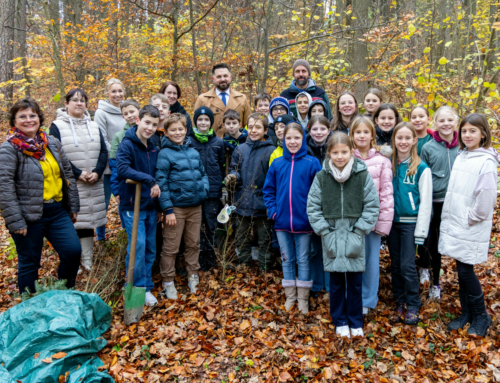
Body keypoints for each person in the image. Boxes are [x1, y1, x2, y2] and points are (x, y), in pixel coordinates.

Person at [0, 98, 81, 294]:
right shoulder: (9, 148)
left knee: (72, 251)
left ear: (39, 118)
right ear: (14, 121)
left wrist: (73, 207)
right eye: (23, 116)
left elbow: (67, 173)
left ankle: (63, 293)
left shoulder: (51, 142)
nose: (29, 120)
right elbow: (4, 187)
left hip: (57, 211)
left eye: (32, 115)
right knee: (30, 263)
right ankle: (29, 307)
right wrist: (16, 222)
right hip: (28, 217)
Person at [307, 132, 380, 338]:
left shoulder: (362, 175)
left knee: (355, 283)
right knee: (337, 283)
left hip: (354, 235)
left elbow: (372, 205)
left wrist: (359, 230)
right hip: (331, 236)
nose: (340, 156)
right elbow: (313, 207)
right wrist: (324, 231)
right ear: (329, 153)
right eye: (335, 152)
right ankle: (339, 321)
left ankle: (356, 321)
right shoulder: (321, 177)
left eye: (344, 152)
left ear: (351, 152)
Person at [439, 113, 498, 336]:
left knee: (465, 270)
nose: (467, 135)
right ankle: (467, 312)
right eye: (464, 131)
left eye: (473, 131)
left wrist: (469, 218)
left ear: (483, 134)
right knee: (461, 269)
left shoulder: (486, 161)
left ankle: (481, 316)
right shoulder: (463, 155)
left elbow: (485, 198)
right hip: (457, 222)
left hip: (469, 224)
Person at [263, 122, 321, 314]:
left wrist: (312, 215)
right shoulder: (277, 163)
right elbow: (268, 190)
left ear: (303, 139)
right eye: (289, 138)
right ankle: (290, 297)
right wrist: (273, 211)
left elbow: (318, 192)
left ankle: (303, 299)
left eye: (297, 138)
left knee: (303, 259)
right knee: (286, 258)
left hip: (304, 223)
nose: (293, 141)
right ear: (283, 139)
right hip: (281, 222)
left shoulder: (312, 163)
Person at [49, 89, 108, 271]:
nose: (79, 103)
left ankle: (88, 260)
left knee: (88, 221)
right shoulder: (56, 126)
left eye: (82, 100)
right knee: (72, 221)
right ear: (66, 104)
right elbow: (57, 154)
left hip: (93, 182)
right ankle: (73, 260)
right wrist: (77, 173)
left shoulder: (94, 126)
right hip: (71, 183)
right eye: (74, 100)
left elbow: (103, 151)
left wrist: (97, 172)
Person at [156, 113, 209, 299]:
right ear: (166, 132)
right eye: (173, 130)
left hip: (195, 207)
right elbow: (161, 183)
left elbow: (203, 174)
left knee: (193, 244)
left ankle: (192, 275)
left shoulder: (193, 151)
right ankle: (168, 281)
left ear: (186, 130)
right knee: (171, 246)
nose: (178, 132)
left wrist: (205, 189)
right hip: (176, 209)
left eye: (181, 129)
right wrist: (168, 209)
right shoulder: (164, 154)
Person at [116, 105, 161, 307]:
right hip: (132, 205)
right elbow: (123, 169)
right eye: (147, 122)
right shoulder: (127, 144)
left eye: (154, 124)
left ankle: (146, 286)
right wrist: (148, 180)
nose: (150, 127)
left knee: (150, 247)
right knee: (138, 245)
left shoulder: (153, 145)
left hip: (151, 205)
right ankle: (136, 286)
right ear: (138, 121)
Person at [388, 122, 432, 324]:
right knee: (395, 265)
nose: (403, 142)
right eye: (399, 138)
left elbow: (426, 202)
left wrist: (421, 231)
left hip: (410, 223)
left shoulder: (421, 168)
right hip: (392, 223)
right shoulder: (389, 164)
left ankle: (413, 303)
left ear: (415, 140)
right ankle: (399, 301)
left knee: (407, 265)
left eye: (408, 138)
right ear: (394, 140)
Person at [350, 116, 394, 315]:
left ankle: (367, 300)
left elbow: (386, 194)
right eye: (357, 132)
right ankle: (352, 296)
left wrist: (382, 224)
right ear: (352, 135)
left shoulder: (382, 161)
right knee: (351, 260)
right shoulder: (346, 157)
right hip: (349, 221)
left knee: (370, 262)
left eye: (365, 132)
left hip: (372, 221)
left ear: (372, 135)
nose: (361, 135)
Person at [418, 106, 459, 300]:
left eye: (449, 120)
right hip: (435, 203)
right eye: (441, 120)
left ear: (456, 122)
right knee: (432, 243)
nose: (446, 124)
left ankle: (463, 283)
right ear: (435, 123)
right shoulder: (428, 147)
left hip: (457, 204)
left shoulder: (463, 147)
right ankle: (434, 282)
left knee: (454, 242)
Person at [225, 113, 275, 273]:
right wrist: (233, 177)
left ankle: (264, 267)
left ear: (266, 130)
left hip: (263, 203)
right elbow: (235, 169)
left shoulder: (271, 150)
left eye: (258, 127)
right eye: (250, 127)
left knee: (264, 238)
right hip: (242, 201)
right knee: (241, 237)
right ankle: (244, 264)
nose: (253, 130)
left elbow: (273, 177)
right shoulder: (241, 149)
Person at [190, 107, 225, 271]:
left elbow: (221, 164)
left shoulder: (218, 142)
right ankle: (198, 256)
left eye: (206, 120)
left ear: (211, 122)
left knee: (211, 225)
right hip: (195, 191)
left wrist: (220, 186)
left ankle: (210, 255)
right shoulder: (189, 141)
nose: (203, 122)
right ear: (195, 121)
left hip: (213, 191)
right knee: (196, 226)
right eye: (200, 119)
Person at [94, 78, 127, 241]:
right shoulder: (101, 113)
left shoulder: (128, 110)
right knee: (104, 203)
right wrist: (117, 155)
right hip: (108, 165)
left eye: (120, 91)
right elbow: (102, 139)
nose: (117, 94)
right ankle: (100, 238)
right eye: (113, 91)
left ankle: (124, 234)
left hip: (126, 165)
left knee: (124, 200)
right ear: (108, 93)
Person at [306, 115, 333, 297]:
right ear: (309, 130)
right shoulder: (304, 149)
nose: (318, 133)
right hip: (312, 204)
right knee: (315, 248)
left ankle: (331, 286)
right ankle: (316, 285)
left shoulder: (335, 148)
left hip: (331, 205)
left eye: (322, 129)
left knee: (330, 247)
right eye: (315, 129)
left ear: (329, 130)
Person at [194, 63, 252, 137]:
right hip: (212, 145)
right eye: (219, 77)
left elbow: (249, 125)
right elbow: (195, 127)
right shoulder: (202, 99)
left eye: (225, 76)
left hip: (237, 145)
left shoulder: (242, 98)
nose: (222, 79)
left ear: (230, 77)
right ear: (213, 79)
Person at [109, 99, 141, 225]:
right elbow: (114, 165)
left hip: (147, 186)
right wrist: (116, 190)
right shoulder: (119, 136)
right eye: (126, 113)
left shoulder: (148, 131)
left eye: (132, 111)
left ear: (139, 111)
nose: (130, 115)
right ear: (123, 116)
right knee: (129, 223)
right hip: (126, 186)